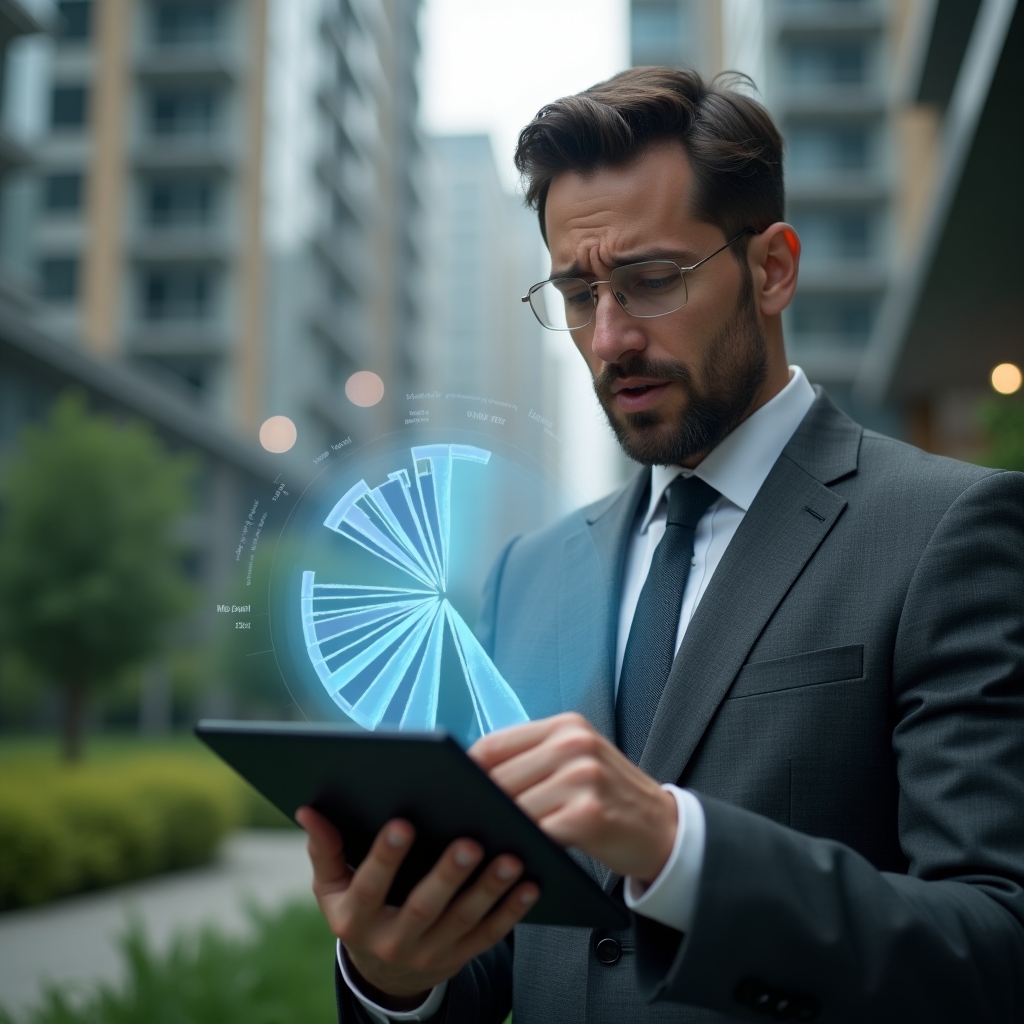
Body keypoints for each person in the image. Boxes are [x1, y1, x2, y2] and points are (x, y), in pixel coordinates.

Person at [297, 67, 1024, 1023]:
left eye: (649, 281)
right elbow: (517, 949)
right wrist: (397, 972)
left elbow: (996, 946)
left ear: (772, 269)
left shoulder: (948, 531)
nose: (608, 339)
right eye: (576, 291)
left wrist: (679, 846)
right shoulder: (529, 576)